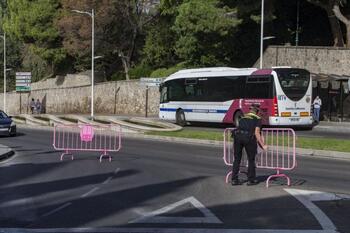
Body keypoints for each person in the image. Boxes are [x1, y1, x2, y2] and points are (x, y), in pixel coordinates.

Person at [231, 104, 267, 186]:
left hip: (238, 137)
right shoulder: (258, 119)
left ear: (250, 110)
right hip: (248, 139)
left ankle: (234, 179)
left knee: (237, 159)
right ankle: (250, 180)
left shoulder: (242, 117)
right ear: (257, 112)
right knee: (251, 159)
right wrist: (263, 145)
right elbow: (257, 133)